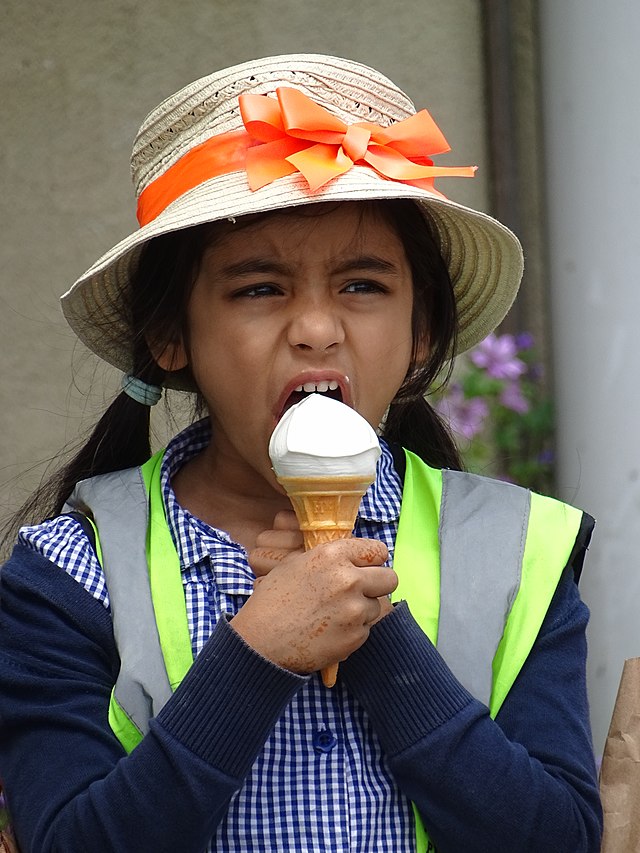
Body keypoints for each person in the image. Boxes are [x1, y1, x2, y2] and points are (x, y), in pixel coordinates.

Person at [0, 54, 602, 852]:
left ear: (421, 333)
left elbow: (556, 836)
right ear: (170, 337)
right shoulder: (72, 572)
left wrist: (377, 634)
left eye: (362, 285)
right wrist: (255, 653)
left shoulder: (519, 552)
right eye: (259, 288)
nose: (316, 328)